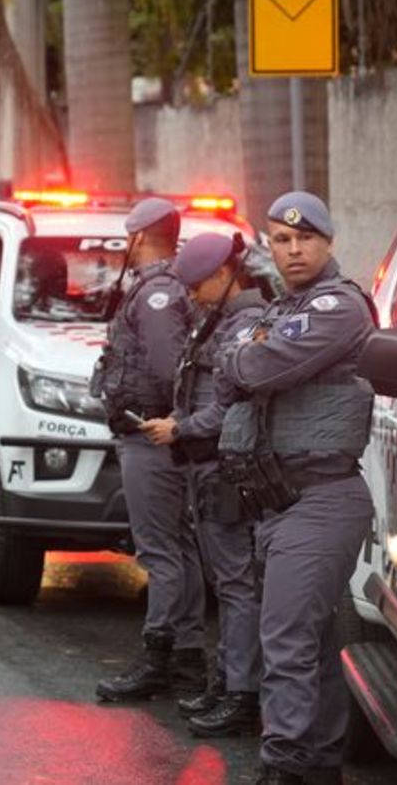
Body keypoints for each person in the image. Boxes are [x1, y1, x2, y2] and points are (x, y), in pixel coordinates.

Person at [216, 192, 376, 785]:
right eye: (281, 241)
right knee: (309, 639)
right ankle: (319, 763)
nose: (293, 250)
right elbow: (228, 370)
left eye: (305, 238)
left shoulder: (338, 307)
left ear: (328, 242)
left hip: (321, 496)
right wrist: (244, 358)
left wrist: (246, 358)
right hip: (279, 503)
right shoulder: (280, 308)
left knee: (283, 641)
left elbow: (254, 370)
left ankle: (283, 767)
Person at [140, 232, 267, 738]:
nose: (190, 295)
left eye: (196, 285)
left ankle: (243, 694)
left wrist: (181, 427)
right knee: (228, 583)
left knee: (237, 585)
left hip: (226, 467)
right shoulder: (221, 320)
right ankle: (228, 681)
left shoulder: (245, 324)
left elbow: (232, 403)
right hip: (209, 465)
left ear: (224, 274)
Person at [92, 198, 206, 702]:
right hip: (160, 437)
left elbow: (169, 368)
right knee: (178, 550)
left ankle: (161, 657)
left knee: (161, 553)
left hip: (152, 438)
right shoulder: (167, 286)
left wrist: (174, 424)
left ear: (140, 236)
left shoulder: (157, 293)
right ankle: (186, 658)